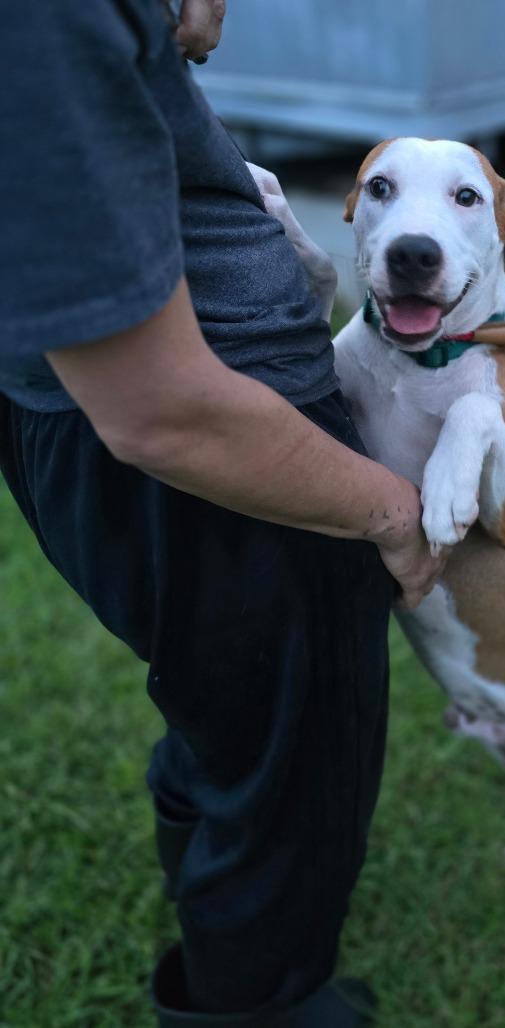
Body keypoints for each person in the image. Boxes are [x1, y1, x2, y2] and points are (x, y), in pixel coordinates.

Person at [0, 2, 445, 1024]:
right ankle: (259, 999)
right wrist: (384, 510)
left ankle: (215, 883)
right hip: (225, 435)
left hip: (116, 414)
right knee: (298, 759)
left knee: (230, 706)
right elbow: (159, 411)